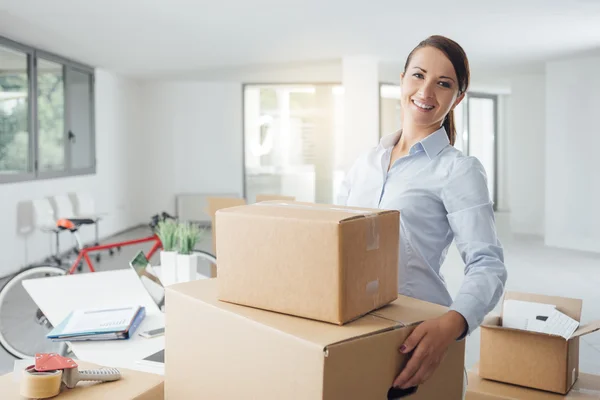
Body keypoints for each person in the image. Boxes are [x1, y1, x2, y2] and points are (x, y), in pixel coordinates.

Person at [337, 35, 507, 393]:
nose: (426, 91)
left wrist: (451, 324)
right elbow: (334, 237)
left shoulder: (458, 171)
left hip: (416, 335)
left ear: (457, 97)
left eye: (443, 83)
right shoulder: (366, 162)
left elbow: (487, 264)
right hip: (351, 323)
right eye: (418, 76)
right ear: (402, 80)